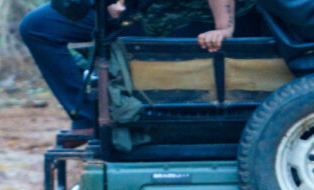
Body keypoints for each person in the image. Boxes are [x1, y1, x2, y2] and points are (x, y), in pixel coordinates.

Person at [20, 0, 252, 143]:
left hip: (183, 14)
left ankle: (110, 101)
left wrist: (224, 27)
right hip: (135, 10)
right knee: (38, 27)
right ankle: (88, 113)